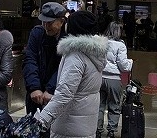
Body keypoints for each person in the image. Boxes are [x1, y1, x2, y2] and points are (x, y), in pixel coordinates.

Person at [34, 10, 108, 138]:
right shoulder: (95, 54)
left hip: (69, 128)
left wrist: (40, 121)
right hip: (85, 127)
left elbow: (64, 94)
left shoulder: (75, 55)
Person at [23, 1, 68, 114]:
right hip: (35, 94)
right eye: (44, 22)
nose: (46, 26)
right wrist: (34, 87)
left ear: (61, 22)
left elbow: (64, 67)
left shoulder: (68, 39)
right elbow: (30, 60)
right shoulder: (37, 33)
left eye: (50, 23)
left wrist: (51, 89)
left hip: (56, 95)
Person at [96, 21, 133, 138]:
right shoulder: (121, 45)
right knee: (114, 106)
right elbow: (123, 66)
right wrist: (130, 63)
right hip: (114, 79)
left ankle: (97, 130)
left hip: (99, 77)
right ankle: (111, 131)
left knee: (99, 106)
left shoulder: (101, 42)